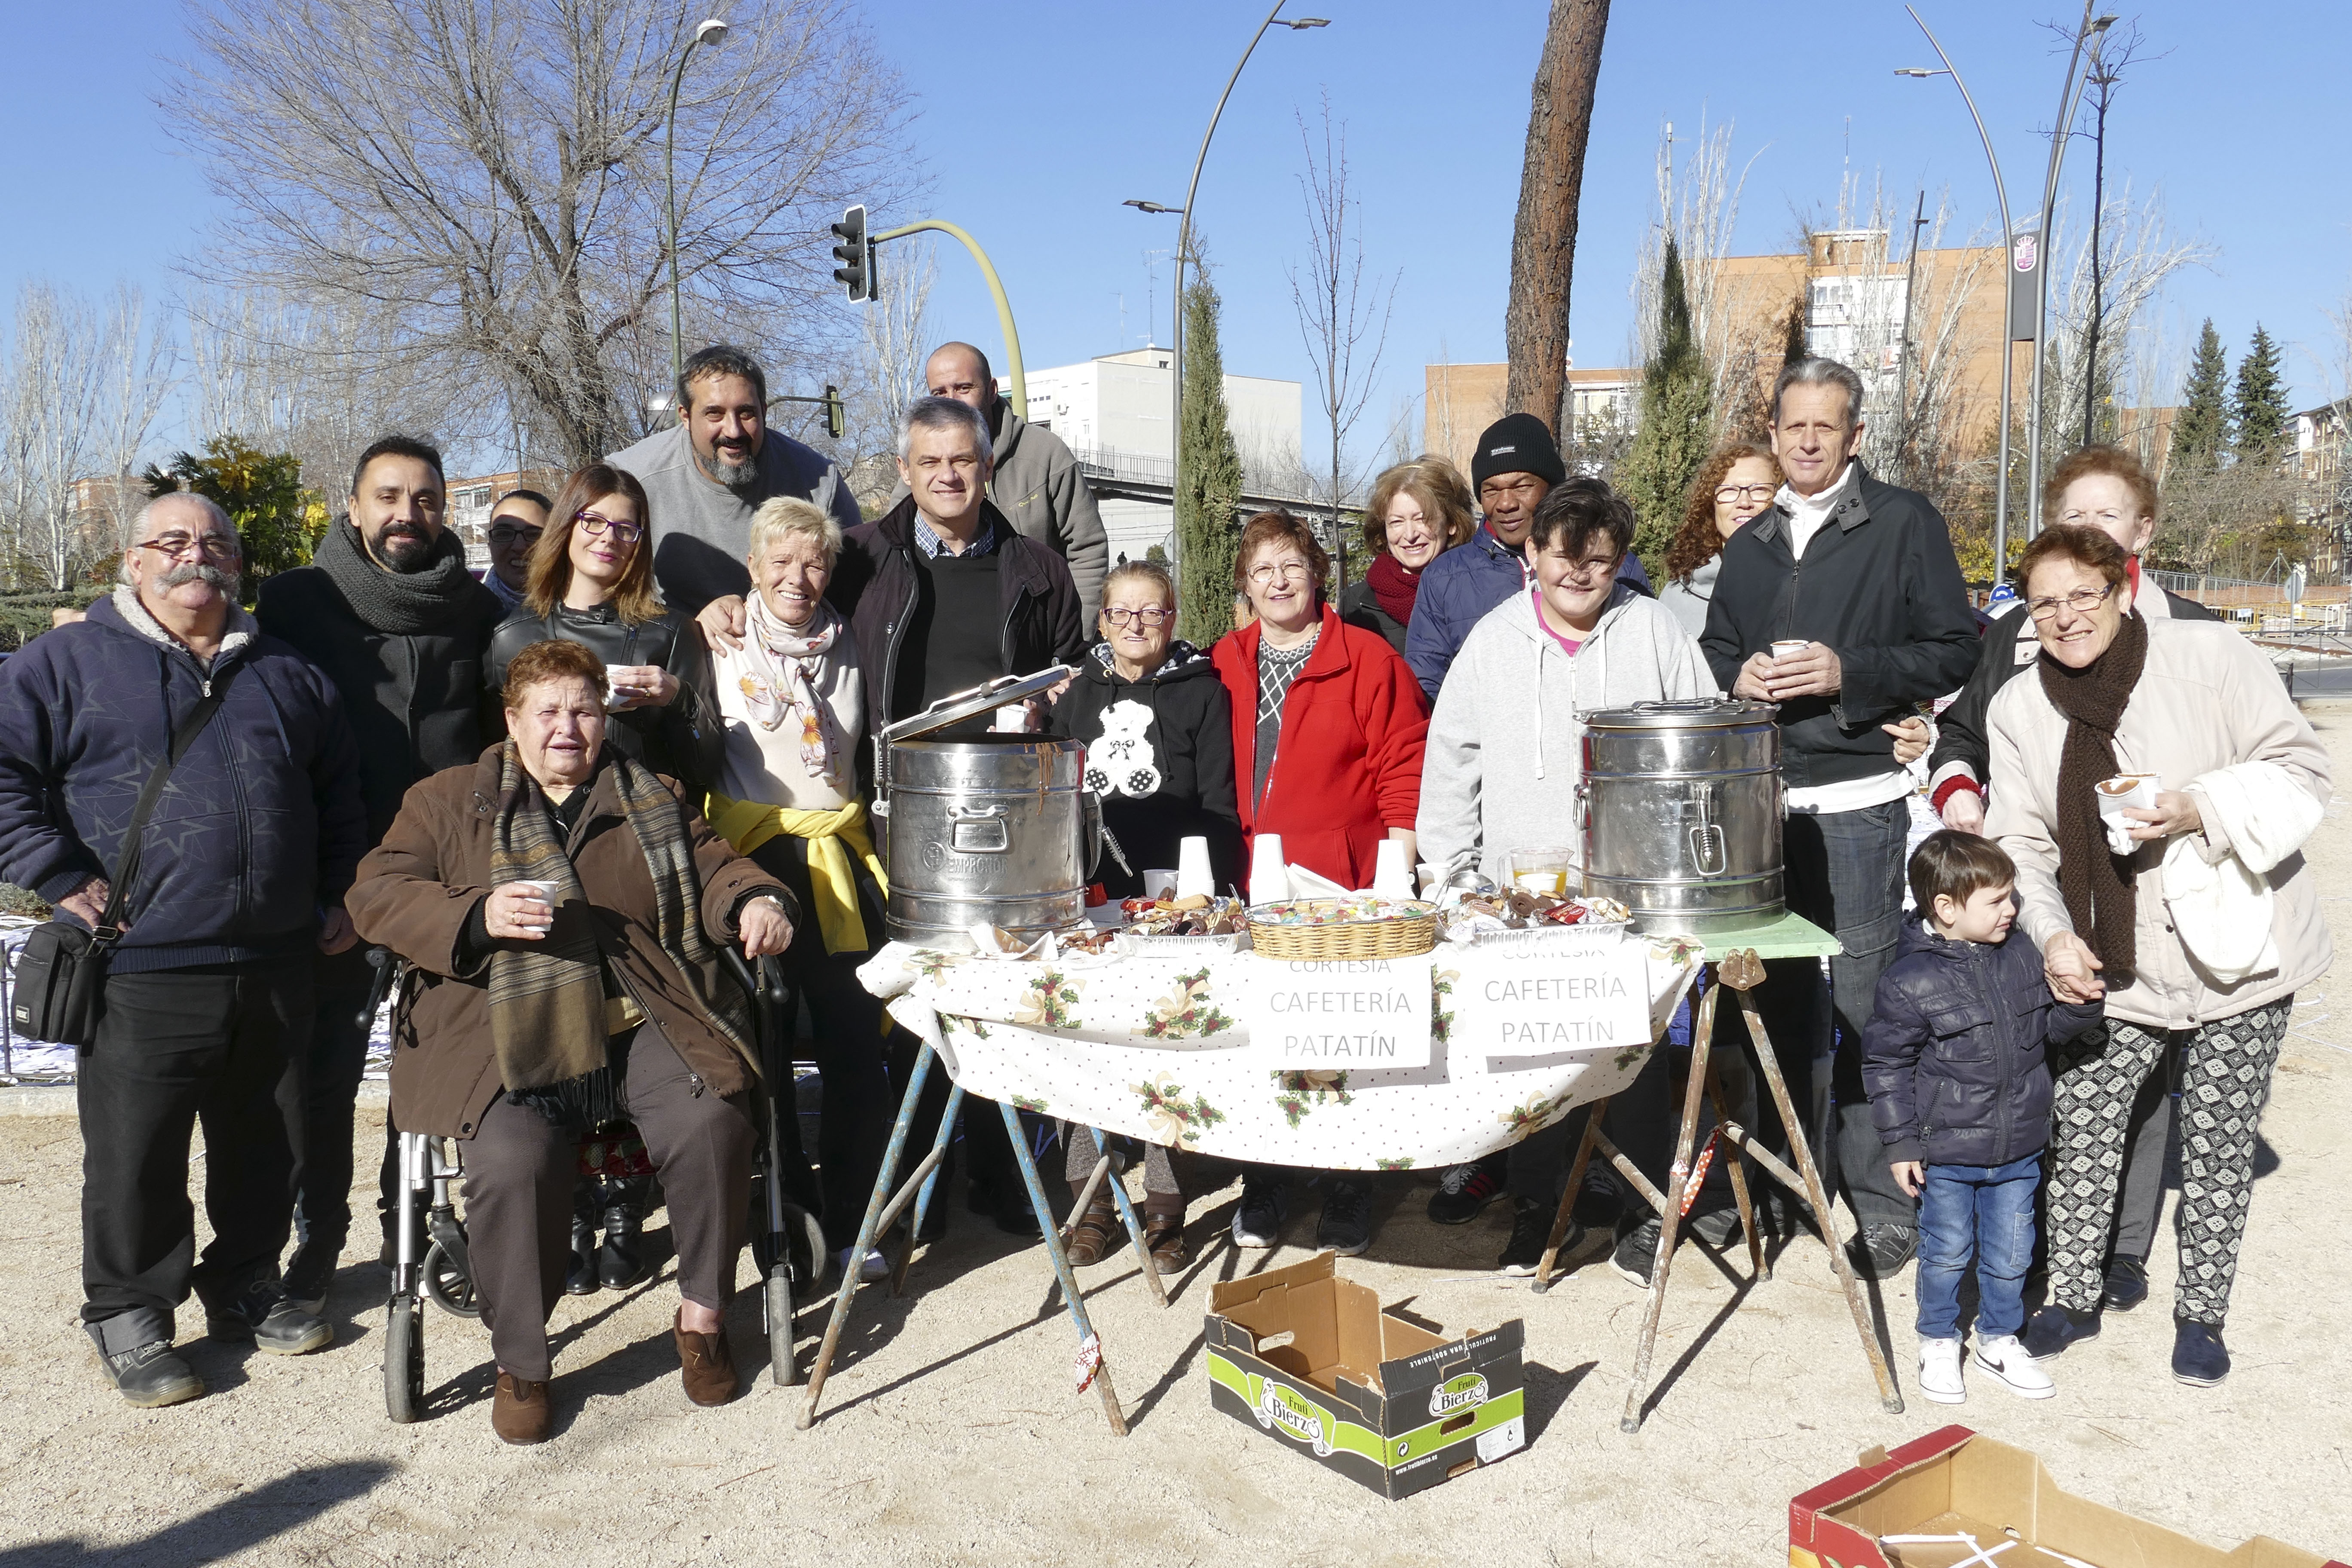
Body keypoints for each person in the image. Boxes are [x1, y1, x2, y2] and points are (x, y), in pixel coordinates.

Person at [346, 639, 796, 1444]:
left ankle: (702, 1318)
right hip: (500, 1027)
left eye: (584, 711)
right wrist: (474, 915)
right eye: (548, 711)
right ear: (512, 720)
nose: (567, 727)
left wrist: (754, 901)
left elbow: (718, 867)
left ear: (604, 718)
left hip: (643, 1016)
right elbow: (377, 893)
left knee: (713, 1118)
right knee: (512, 1160)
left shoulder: (654, 794)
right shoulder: (445, 800)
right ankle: (523, 1361)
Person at [0, 494, 365, 1406]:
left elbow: (339, 796)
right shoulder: (63, 664)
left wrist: (338, 893)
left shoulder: (288, 670)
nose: (194, 555)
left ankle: (245, 1278)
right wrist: (55, 871)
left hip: (277, 957)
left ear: (238, 564)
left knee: (267, 1142)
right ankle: (130, 1311)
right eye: (171, 541)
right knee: (137, 1155)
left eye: (214, 543)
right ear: (132, 562)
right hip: (141, 960)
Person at [1986, 525, 2330, 1388]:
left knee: (2217, 1140)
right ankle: (2071, 1298)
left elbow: (2302, 769)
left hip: (2239, 951)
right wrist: (2052, 933)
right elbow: (2020, 841)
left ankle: (2202, 1317)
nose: (2065, 617)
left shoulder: (2211, 658)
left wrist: (2198, 807)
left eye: (2082, 595)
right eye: (2044, 603)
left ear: (2120, 590)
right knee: (2084, 1129)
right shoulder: (2019, 707)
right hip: (2111, 958)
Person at [1698, 357, 1980, 1277]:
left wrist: (1848, 673)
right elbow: (1717, 646)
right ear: (1774, 433)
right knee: (1772, 1004)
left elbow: (1954, 648)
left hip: (1860, 806)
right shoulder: (1751, 544)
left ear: (1856, 434)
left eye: (1827, 426)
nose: (1809, 441)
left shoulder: (1902, 522)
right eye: (1795, 426)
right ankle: (1789, 1183)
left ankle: (1884, 1201)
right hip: (1765, 809)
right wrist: (1736, 674)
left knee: (1867, 1009)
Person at [1926, 445, 2218, 1314]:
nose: (2089, 529)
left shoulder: (2193, 632)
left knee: (2149, 1068)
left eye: (2107, 515)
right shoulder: (2019, 631)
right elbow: (1963, 734)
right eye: (2072, 517)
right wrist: (1959, 790)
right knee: (2044, 1060)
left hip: (2162, 889)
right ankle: (2046, 1237)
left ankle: (2124, 1245)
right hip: (2045, 886)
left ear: (2143, 531)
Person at [1417, 477, 1716, 1273]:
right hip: (1524, 896)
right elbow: (1451, 762)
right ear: (1533, 555)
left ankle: (1642, 1207)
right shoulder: (1493, 641)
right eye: (1563, 557)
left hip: (1636, 892)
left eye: (1599, 560)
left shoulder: (1653, 630)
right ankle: (1537, 1203)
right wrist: (1448, 874)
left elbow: (1704, 739)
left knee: (1635, 1048)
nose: (1579, 574)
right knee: (1533, 1055)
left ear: (1619, 562)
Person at [256, 435, 507, 1312]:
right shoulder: (297, 602)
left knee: (451, 1059)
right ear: (354, 506)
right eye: (389, 497)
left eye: (426, 499)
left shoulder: (475, 610)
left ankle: (430, 1227)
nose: (409, 515)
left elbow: (495, 740)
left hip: (446, 878)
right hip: (338, 879)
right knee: (319, 1076)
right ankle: (313, 1245)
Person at [833, 395, 1088, 1237]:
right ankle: (920, 1186)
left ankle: (1001, 1171)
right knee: (916, 997)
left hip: (1006, 815)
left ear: (987, 466)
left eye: (963, 461)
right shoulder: (859, 557)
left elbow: (1070, 674)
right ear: (905, 470)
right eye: (931, 462)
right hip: (898, 810)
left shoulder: (1038, 568)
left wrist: (1050, 704)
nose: (948, 476)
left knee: (1000, 994)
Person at [1212, 509, 1428, 1257]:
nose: (1278, 581)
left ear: (1317, 575)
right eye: (1262, 569)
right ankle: (1266, 1179)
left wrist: (1396, 872)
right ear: (1245, 584)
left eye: (1292, 566)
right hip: (1250, 878)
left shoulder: (1367, 660)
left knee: (1339, 1034)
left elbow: (1403, 767)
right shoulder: (1222, 660)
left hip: (1341, 882)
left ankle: (1348, 1182)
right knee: (1262, 1032)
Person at [701, 496, 895, 1282]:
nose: (797, 577)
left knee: (854, 1041)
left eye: (813, 562)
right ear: (752, 568)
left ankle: (853, 1220)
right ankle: (785, 1223)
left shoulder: (851, 641)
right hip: (755, 859)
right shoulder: (718, 638)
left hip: (837, 856)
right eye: (779, 561)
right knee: (768, 1047)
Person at [1862, 831, 2104, 1406]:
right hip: (1946, 1154)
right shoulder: (1909, 980)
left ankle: (1999, 1338)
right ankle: (1938, 1340)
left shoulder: (2021, 955)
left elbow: (2047, 1032)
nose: (2012, 909)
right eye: (1996, 901)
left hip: (2019, 1145)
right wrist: (1901, 1144)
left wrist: (2081, 1007)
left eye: (2012, 896)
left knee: (2012, 1253)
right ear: (1946, 908)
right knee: (1946, 1252)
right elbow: (1886, 1066)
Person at [1049, 558, 1243, 1273]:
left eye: (1151, 611)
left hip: (1174, 901)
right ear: (1103, 621)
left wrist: (1202, 892)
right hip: (1093, 896)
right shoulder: (1077, 693)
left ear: (1172, 619)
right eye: (1121, 612)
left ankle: (1166, 1206)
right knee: (1086, 1042)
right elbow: (1057, 796)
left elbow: (1219, 801)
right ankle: (1092, 1200)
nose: (1136, 624)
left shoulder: (1203, 692)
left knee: (1168, 1047)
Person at [488, 462, 720, 793]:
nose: (609, 538)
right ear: (566, 525)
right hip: (542, 817)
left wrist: (679, 698)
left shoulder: (671, 632)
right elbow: (496, 756)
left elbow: (705, 770)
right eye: (594, 521)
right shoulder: (511, 635)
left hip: (643, 817)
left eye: (625, 529)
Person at [1404, 412, 1651, 701]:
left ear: (1552, 487)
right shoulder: (1444, 577)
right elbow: (1426, 685)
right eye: (1491, 491)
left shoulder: (1616, 569)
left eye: (1522, 487)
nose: (1506, 503)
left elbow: (1645, 664)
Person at [609, 343, 863, 618]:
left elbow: (858, 592)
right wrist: (686, 631)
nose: (733, 431)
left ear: (764, 411)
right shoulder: (630, 480)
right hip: (667, 637)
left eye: (746, 413)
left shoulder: (820, 482)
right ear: (685, 416)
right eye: (714, 414)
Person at [895, 340, 1110, 618]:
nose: (952, 401)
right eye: (940, 392)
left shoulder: (1046, 453)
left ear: (992, 390)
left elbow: (1088, 549)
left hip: (1035, 628)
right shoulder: (922, 471)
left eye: (964, 388)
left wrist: (1076, 631)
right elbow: (893, 546)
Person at [1338, 456, 1476, 652]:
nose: (1410, 535)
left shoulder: (1477, 592)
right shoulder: (1356, 604)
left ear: (1452, 523)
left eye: (1422, 519)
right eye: (1397, 522)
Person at [1658, 443, 1780, 640]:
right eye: (1730, 490)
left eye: (1759, 490)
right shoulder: (1678, 596)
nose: (1744, 503)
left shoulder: (1801, 586)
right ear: (1711, 504)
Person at [481, 488, 551, 616]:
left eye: (534, 535)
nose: (520, 547)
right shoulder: (464, 612)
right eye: (504, 534)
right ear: (489, 544)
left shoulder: (582, 608)